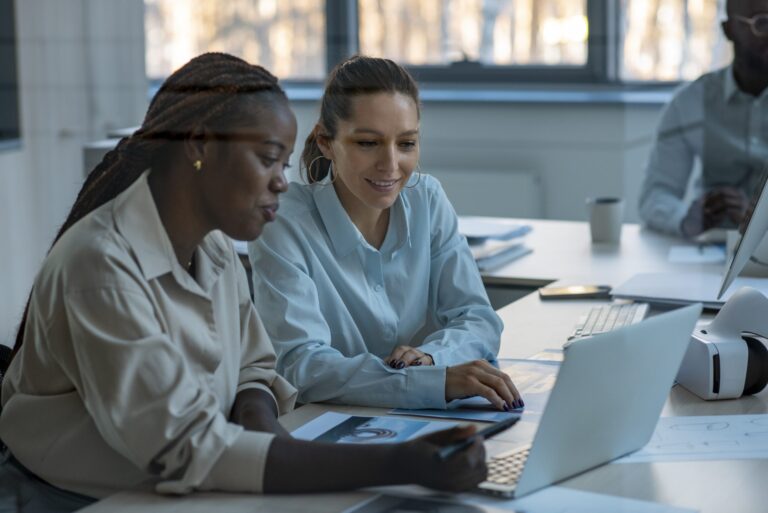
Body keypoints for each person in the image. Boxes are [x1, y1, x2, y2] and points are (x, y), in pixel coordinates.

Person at [0, 53, 487, 512]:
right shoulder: (102, 267)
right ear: (198, 147)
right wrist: (400, 463)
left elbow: (254, 368)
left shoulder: (210, 246)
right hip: (78, 500)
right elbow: (190, 449)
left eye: (283, 164)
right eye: (266, 159)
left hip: (183, 490)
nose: (282, 182)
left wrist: (262, 426)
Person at [249, 56, 522, 411]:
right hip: (322, 424)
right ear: (326, 141)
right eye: (368, 143)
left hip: (420, 419)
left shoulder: (427, 199)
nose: (390, 165)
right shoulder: (283, 222)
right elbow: (302, 366)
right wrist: (430, 382)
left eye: (406, 144)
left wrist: (430, 359)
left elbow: (478, 317)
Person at [639, 0, 768, 238]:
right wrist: (688, 218)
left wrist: (759, 220)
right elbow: (655, 196)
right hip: (710, 246)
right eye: (762, 23)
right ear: (729, 30)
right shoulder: (690, 102)